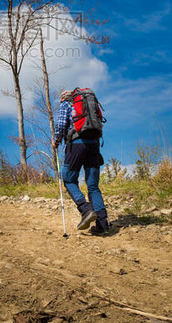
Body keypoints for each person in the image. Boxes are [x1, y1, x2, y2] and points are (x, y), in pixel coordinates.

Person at [52, 88, 110, 235]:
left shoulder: (66, 104)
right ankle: (102, 224)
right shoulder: (88, 103)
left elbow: (60, 125)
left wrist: (56, 140)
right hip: (94, 143)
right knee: (93, 186)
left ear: (63, 98)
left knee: (69, 179)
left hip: (77, 144)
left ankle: (86, 210)